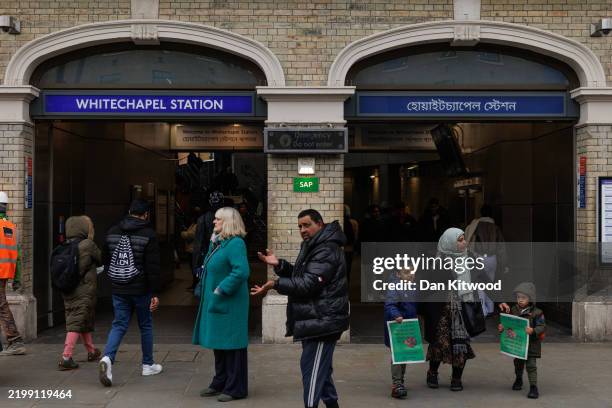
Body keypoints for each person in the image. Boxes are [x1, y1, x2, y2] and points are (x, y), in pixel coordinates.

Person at [252, 209, 349, 408]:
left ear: (320, 224)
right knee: (320, 370)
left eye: (306, 225)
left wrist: (275, 284)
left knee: (311, 371)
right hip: (316, 319)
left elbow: (308, 284)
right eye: (299, 226)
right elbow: (302, 274)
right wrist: (280, 265)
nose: (302, 230)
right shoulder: (314, 245)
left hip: (323, 322)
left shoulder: (326, 249)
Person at [99, 199, 162, 387]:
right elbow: (152, 267)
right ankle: (147, 364)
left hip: (119, 287)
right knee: (146, 325)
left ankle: (108, 358)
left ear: (129, 211)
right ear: (146, 215)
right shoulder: (149, 234)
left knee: (119, 324)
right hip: (141, 289)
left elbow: (106, 259)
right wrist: (154, 292)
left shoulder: (112, 231)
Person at [193, 207, 250, 402]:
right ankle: (220, 382)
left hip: (230, 303)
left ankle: (235, 388)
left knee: (232, 346)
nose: (214, 222)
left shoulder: (236, 244)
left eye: (217, 220)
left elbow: (241, 271)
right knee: (220, 345)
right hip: (220, 303)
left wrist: (220, 290)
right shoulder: (219, 243)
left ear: (227, 222)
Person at [417, 228, 476, 392]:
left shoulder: (469, 258)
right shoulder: (436, 261)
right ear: (449, 242)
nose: (464, 242)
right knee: (438, 343)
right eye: (460, 240)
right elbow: (424, 287)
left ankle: (457, 378)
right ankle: (432, 373)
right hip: (440, 310)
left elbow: (483, 277)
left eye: (464, 239)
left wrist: (500, 300)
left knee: (460, 344)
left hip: (461, 310)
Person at [58, 216, 102, 370]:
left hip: (68, 288)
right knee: (77, 322)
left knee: (82, 319)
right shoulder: (88, 244)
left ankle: (91, 351)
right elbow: (101, 258)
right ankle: (66, 357)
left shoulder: (64, 245)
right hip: (83, 290)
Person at [498, 282, 545, 399]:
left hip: (532, 345)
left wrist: (533, 330)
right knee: (518, 364)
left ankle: (533, 387)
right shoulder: (513, 310)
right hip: (518, 345)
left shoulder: (537, 312)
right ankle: (518, 379)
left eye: (523, 298)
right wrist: (502, 327)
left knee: (531, 365)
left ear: (531, 298)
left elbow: (542, 326)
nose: (520, 300)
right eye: (518, 297)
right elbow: (508, 324)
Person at [465, 204, 508, 316]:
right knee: (490, 283)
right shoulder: (495, 227)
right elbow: (501, 248)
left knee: (479, 283)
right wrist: (504, 264)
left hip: (478, 257)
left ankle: (482, 310)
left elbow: (468, 242)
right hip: (492, 258)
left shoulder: (474, 225)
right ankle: (490, 308)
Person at [384, 268, 417, 399]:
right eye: (406, 273)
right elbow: (390, 305)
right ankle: (397, 384)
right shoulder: (395, 286)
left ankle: (400, 380)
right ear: (398, 274)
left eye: (412, 272)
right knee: (398, 355)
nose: (410, 275)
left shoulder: (413, 287)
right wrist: (396, 315)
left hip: (408, 325)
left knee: (404, 354)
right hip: (397, 325)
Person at [0, 191, 26, 356]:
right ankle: (14, 340)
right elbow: (18, 257)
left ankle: (14, 340)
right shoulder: (11, 227)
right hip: (4, 273)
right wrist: (16, 278)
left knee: (1, 306)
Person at [192, 191, 224, 284]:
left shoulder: (203, 219)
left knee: (207, 285)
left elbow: (198, 244)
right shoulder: (229, 219)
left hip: (207, 258)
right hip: (223, 259)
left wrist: (195, 266)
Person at [181, 210, 199, 290]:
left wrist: (183, 233)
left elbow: (191, 235)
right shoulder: (194, 224)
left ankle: (196, 284)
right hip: (191, 249)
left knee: (194, 268)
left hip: (193, 249)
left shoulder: (197, 225)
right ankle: (194, 284)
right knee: (192, 268)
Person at [343, 205, 358, 288]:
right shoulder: (353, 222)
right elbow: (355, 237)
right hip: (349, 249)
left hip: (340, 250)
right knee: (347, 270)